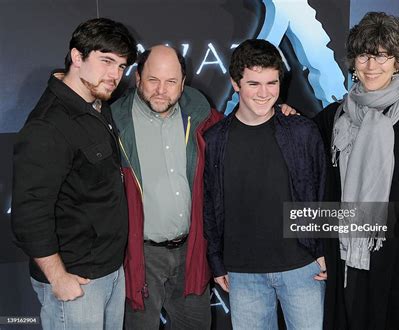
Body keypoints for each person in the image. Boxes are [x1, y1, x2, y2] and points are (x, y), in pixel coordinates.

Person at [315, 12, 399, 330]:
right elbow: (319, 187)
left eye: (382, 55)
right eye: (364, 55)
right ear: (353, 60)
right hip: (348, 261)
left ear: (398, 61)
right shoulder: (331, 119)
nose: (372, 66)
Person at [11, 18, 137, 329]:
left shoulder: (94, 102)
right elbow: (29, 213)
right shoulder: (48, 125)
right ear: (77, 57)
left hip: (108, 270)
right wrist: (58, 277)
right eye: (106, 61)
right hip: (77, 281)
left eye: (121, 66)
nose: (115, 75)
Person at [204, 39, 328, 330]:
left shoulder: (302, 131)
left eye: (271, 83)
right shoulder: (215, 140)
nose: (264, 93)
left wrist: (324, 250)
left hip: (302, 266)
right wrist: (216, 261)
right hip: (243, 273)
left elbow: (322, 190)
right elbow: (208, 205)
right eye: (253, 84)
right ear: (236, 84)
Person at [111, 45, 222, 329]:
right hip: (140, 257)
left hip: (191, 252)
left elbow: (246, 128)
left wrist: (282, 114)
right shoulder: (112, 123)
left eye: (171, 81)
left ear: (183, 84)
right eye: (153, 80)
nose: (161, 90)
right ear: (137, 78)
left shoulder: (202, 117)